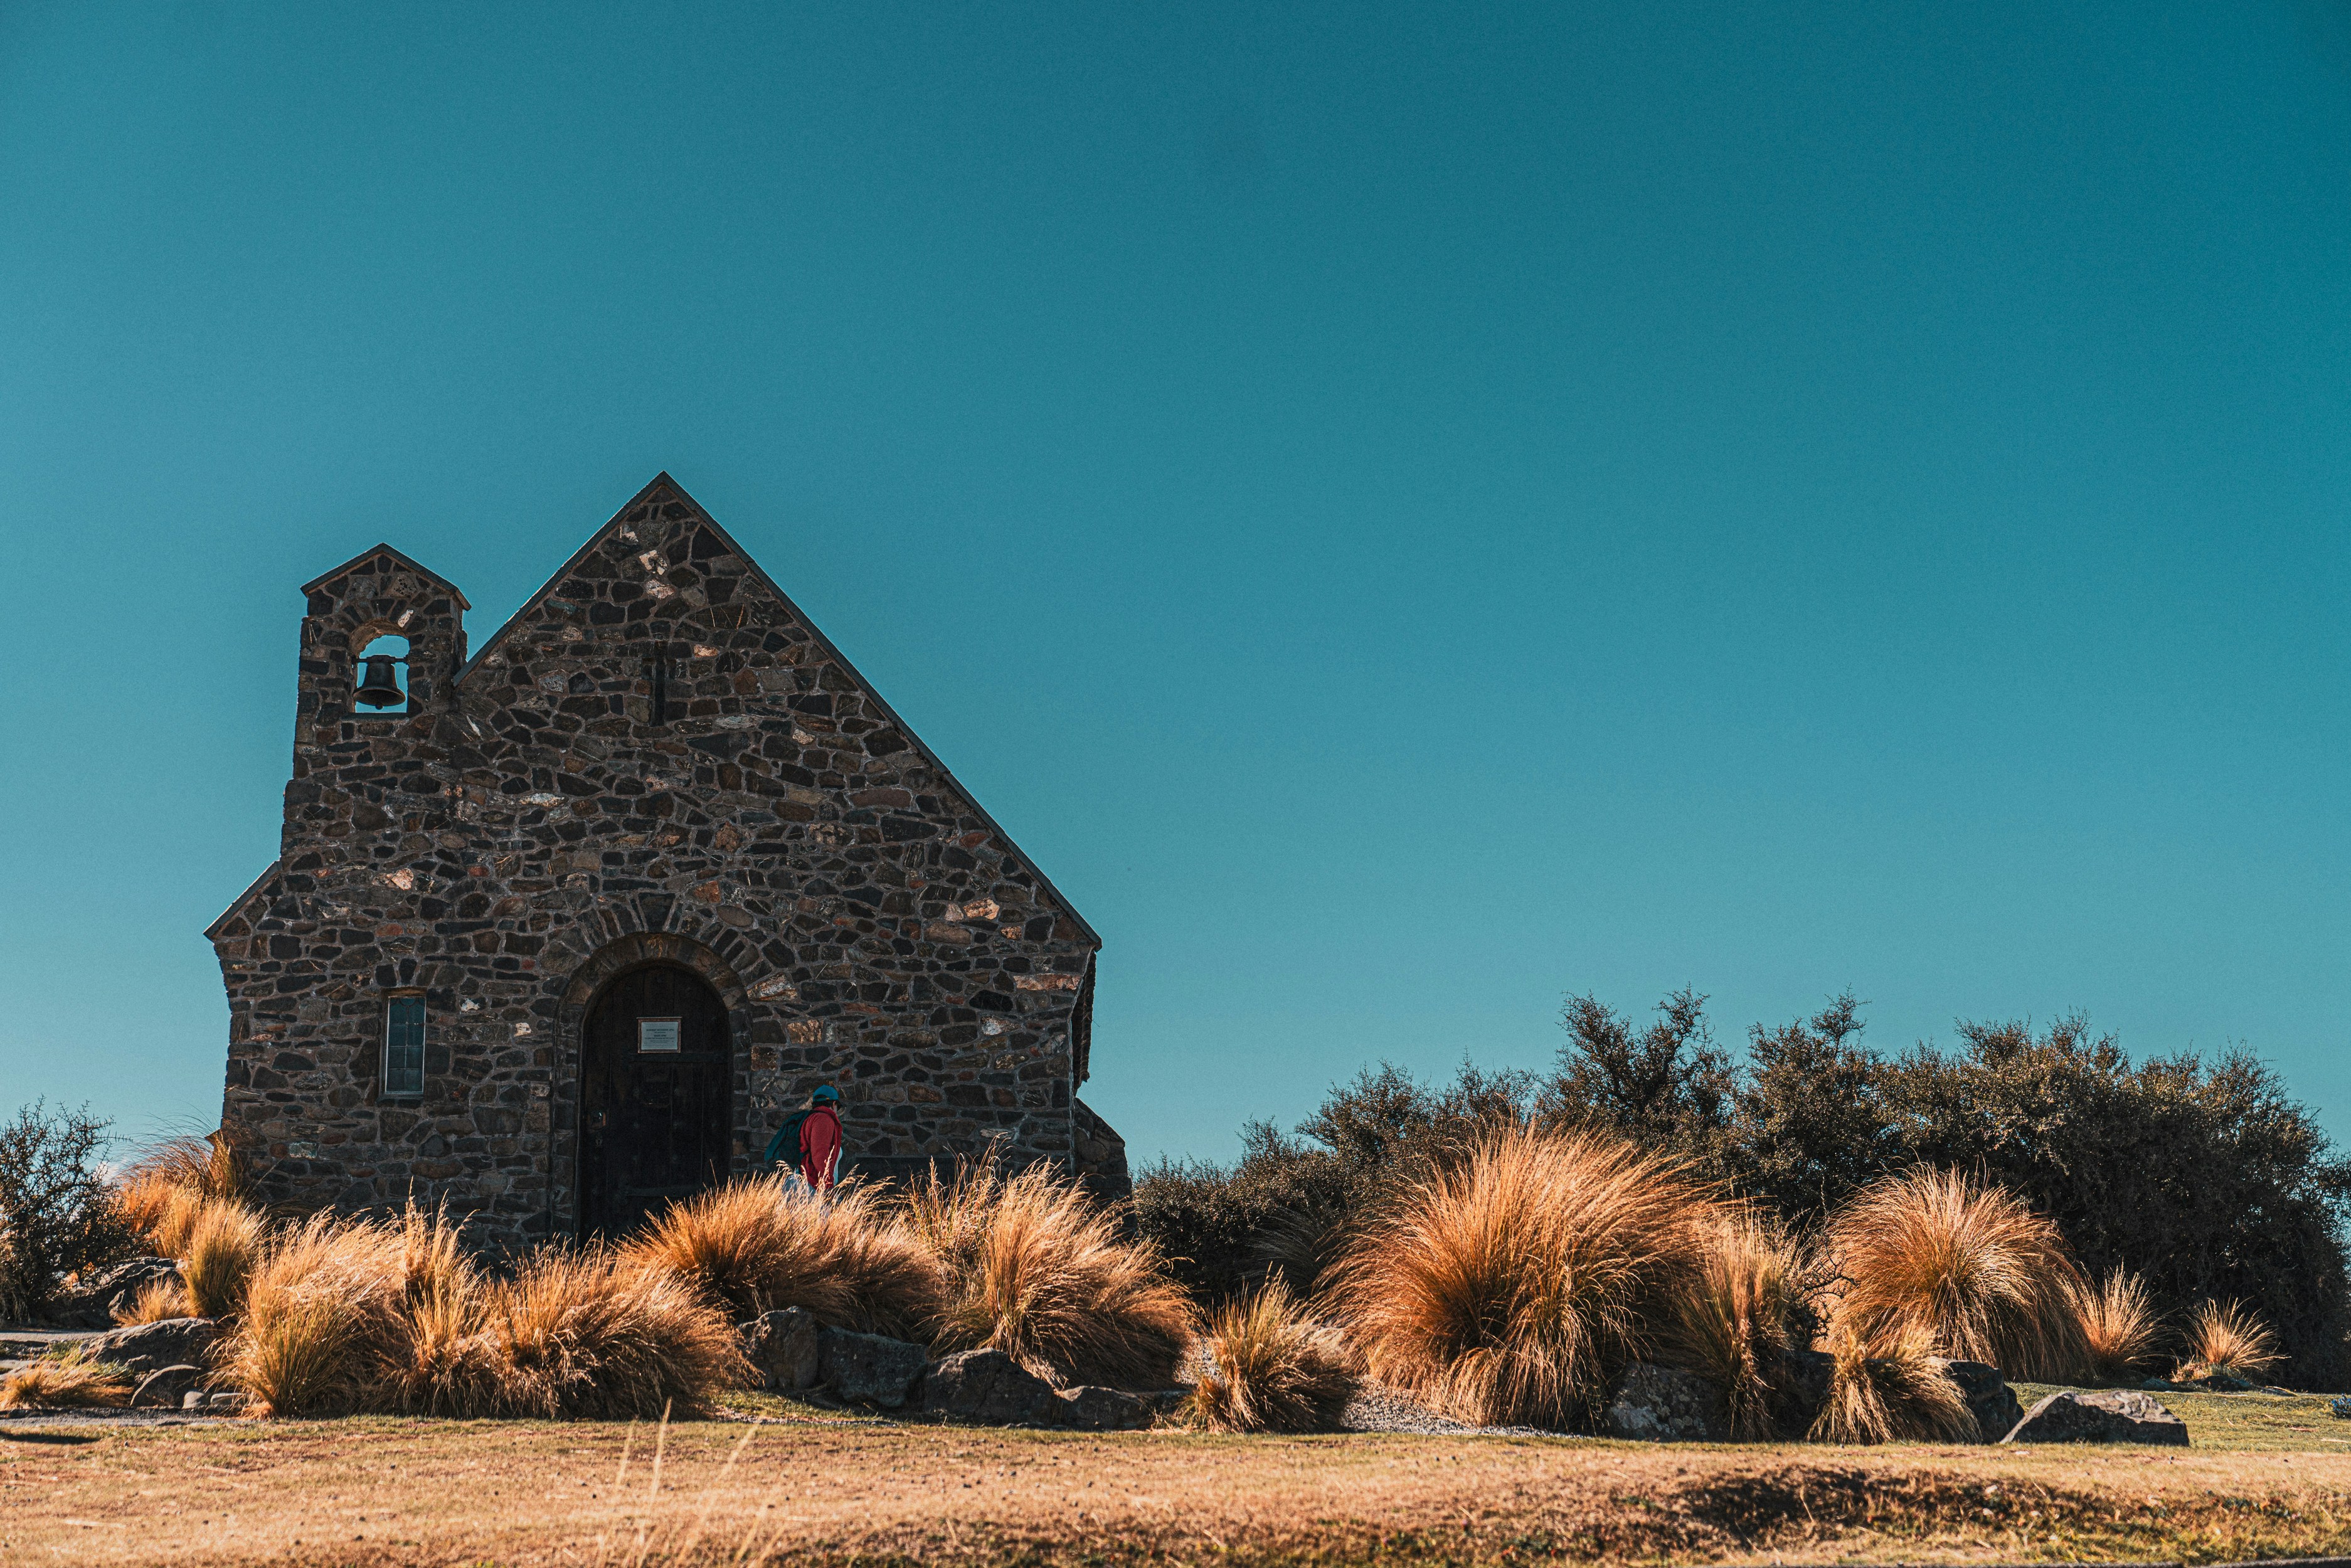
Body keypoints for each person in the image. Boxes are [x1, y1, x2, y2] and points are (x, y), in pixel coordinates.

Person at [797, 1085, 844, 1194]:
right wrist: (827, 1186)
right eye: (838, 1107)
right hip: (812, 1186)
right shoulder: (823, 1119)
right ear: (834, 1104)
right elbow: (820, 1154)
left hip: (807, 1183)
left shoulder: (813, 1117)